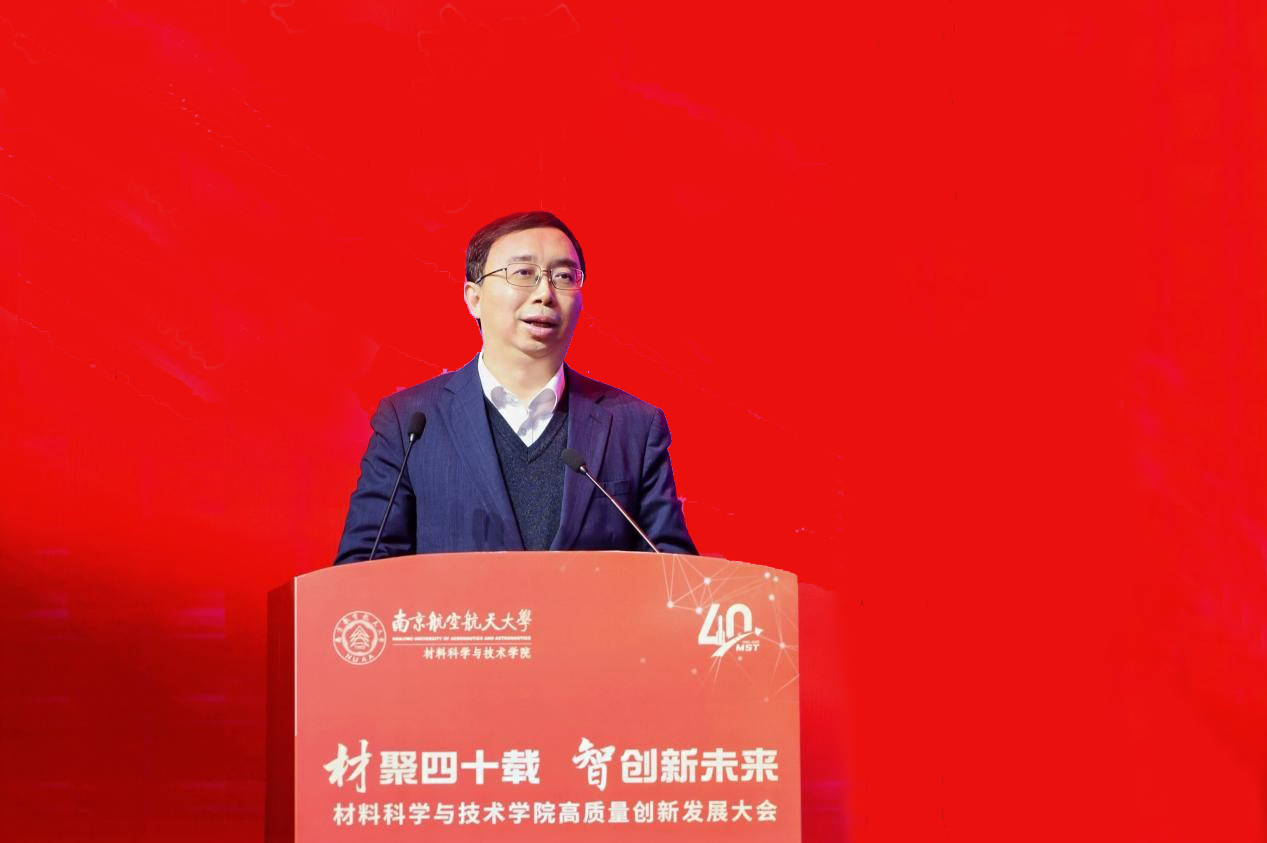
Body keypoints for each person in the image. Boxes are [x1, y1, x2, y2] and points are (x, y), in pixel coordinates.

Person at [334, 211, 696, 563]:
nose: (545, 293)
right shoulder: (410, 423)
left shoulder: (633, 425)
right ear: (474, 298)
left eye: (564, 276)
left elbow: (675, 576)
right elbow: (362, 571)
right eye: (523, 273)